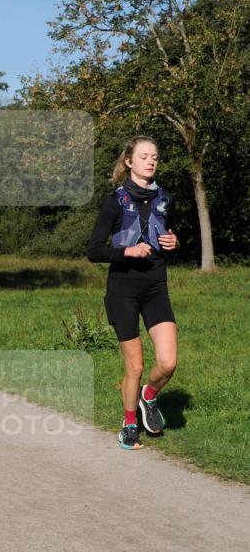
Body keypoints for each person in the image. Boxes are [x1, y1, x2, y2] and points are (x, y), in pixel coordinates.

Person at [87, 136, 179, 451]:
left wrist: (173, 243)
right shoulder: (115, 201)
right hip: (123, 289)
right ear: (129, 162)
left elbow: (163, 235)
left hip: (155, 287)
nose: (151, 161)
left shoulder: (164, 198)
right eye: (143, 156)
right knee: (135, 366)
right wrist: (127, 252)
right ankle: (129, 423)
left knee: (167, 363)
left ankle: (148, 396)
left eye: (154, 156)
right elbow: (94, 250)